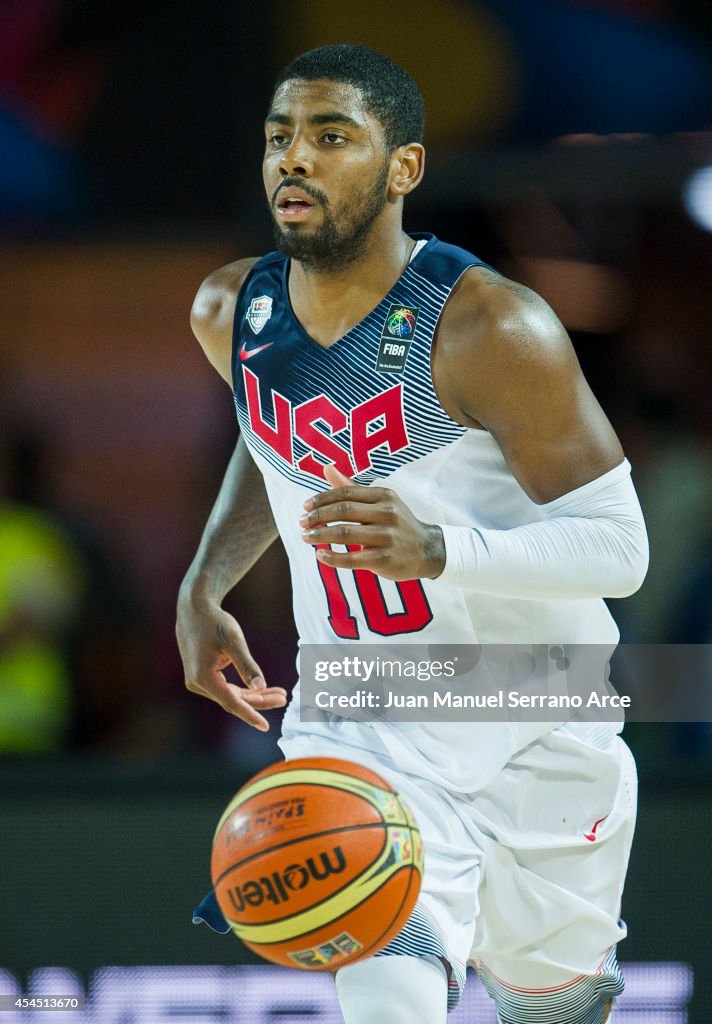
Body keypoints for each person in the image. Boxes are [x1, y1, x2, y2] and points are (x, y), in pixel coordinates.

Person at [176, 44, 648, 1024]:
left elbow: (619, 549)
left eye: (330, 136)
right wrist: (205, 584)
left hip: (536, 702)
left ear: (404, 168)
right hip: (365, 709)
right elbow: (270, 440)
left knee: (556, 1008)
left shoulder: (489, 328)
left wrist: (441, 551)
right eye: (279, 138)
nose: (293, 160)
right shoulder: (233, 310)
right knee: (390, 995)